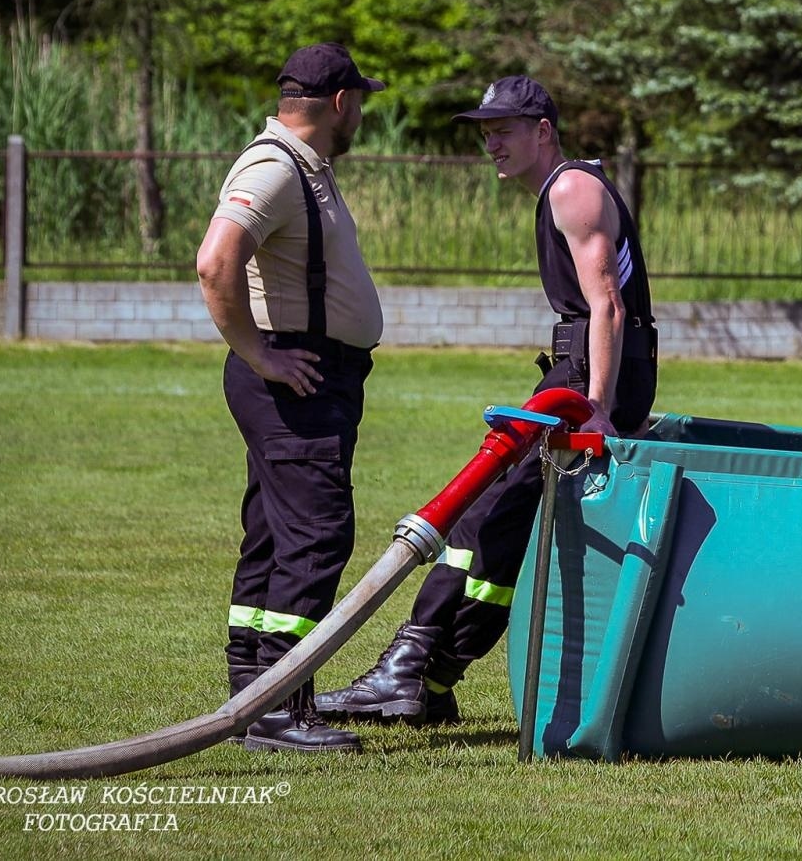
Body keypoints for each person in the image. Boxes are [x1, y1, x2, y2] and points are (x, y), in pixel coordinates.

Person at [318, 75, 658, 727]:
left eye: (503, 130)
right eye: (485, 132)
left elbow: (607, 306)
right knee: (500, 529)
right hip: (581, 368)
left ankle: (405, 670)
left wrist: (597, 407)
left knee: (481, 512)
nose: (490, 143)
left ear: (543, 131)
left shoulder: (571, 188)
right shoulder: (565, 189)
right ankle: (432, 676)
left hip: (586, 375)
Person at [195, 42, 386, 753]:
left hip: (308, 376)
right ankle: (279, 707)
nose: (360, 115)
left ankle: (252, 691)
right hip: (297, 377)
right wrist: (260, 355)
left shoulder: (307, 168)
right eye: (359, 102)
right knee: (317, 534)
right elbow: (216, 262)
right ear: (339, 104)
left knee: (276, 535)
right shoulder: (275, 168)